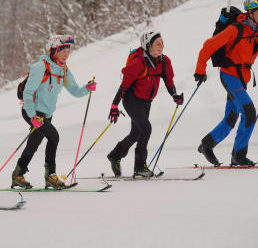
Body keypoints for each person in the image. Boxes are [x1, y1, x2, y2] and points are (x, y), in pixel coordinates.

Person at [194, 0, 258, 166]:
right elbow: (208, 46)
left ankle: (206, 145)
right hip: (229, 75)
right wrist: (200, 70)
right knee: (249, 112)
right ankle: (239, 155)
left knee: (231, 117)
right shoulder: (236, 29)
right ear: (250, 12)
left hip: (244, 77)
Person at [11, 35, 97, 189]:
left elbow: (75, 91)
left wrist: (87, 88)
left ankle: (18, 174)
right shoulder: (41, 67)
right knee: (54, 137)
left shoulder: (63, 69)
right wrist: (33, 116)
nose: (66, 54)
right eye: (62, 50)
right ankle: (51, 175)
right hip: (32, 112)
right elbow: (28, 93)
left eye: (68, 50)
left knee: (33, 144)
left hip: (47, 114)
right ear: (53, 51)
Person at [107, 30, 184, 177]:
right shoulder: (138, 63)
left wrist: (174, 95)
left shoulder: (164, 62)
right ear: (148, 45)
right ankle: (140, 167)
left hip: (146, 102)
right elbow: (124, 85)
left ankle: (115, 155)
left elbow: (169, 81)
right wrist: (114, 105)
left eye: (162, 43)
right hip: (131, 99)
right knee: (146, 128)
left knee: (136, 134)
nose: (161, 46)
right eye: (157, 43)